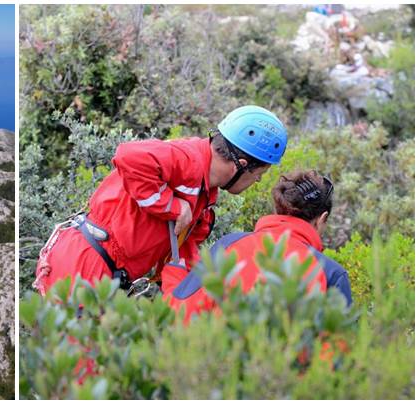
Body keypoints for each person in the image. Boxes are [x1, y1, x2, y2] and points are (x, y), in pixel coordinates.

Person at [33, 105, 288, 296]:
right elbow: (129, 156)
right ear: (241, 166)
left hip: (99, 269)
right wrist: (172, 206)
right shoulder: (187, 160)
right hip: (85, 264)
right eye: (259, 174)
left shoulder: (204, 194)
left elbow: (185, 255)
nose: (256, 182)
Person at [162, 170, 353, 322]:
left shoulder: (229, 245)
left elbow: (180, 312)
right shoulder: (332, 274)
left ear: (279, 209)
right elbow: (336, 354)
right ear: (322, 219)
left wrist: (174, 275)